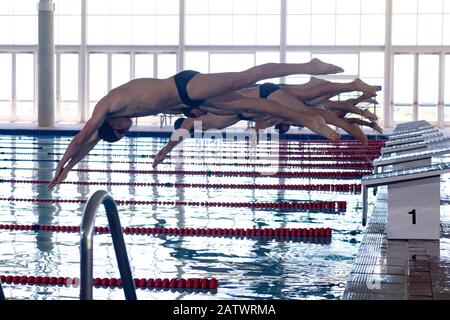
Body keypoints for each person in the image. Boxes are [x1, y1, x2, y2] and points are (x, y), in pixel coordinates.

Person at [48, 59, 344, 188]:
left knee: (245, 78)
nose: (129, 129)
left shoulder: (107, 105)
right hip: (190, 101)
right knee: (253, 104)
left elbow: (81, 137)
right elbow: (90, 143)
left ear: (109, 123)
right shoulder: (119, 116)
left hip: (185, 85)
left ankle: (309, 67)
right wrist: (70, 171)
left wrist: (60, 167)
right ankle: (309, 119)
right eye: (125, 133)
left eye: (123, 131)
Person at [152, 79, 381, 167]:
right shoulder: (211, 120)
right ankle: (351, 116)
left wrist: (164, 151)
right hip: (262, 101)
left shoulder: (196, 120)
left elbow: (178, 134)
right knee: (309, 104)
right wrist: (258, 135)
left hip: (263, 94)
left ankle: (351, 102)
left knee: (308, 105)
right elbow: (254, 120)